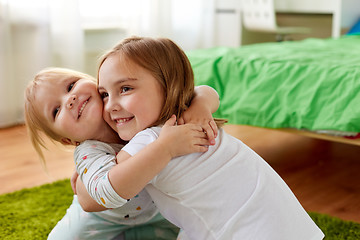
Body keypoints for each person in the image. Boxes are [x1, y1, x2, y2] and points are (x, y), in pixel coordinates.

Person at [78, 36, 325, 240]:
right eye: (104, 94)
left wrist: (83, 178)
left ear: (169, 85)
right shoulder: (195, 117)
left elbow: (106, 190)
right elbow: (206, 92)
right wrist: (202, 101)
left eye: (125, 89)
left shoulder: (153, 141)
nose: (110, 106)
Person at [24, 67, 220, 240]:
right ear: (68, 140)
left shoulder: (135, 108)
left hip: (158, 213)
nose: (70, 99)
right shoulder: (88, 152)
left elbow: (202, 91)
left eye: (70, 86)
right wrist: (165, 148)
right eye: (56, 110)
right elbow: (103, 193)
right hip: (103, 220)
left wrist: (201, 105)